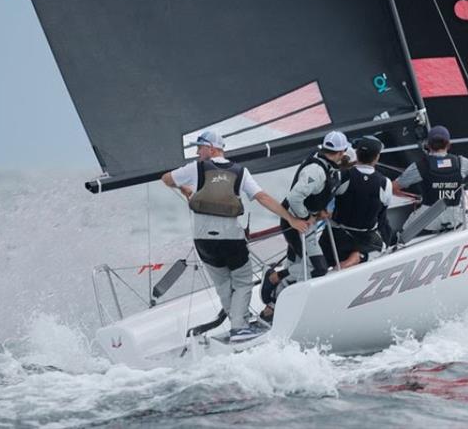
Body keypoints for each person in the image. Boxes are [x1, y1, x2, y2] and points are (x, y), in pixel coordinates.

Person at [161, 130, 308, 342]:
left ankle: (238, 324)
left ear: (211, 149)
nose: (197, 152)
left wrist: (183, 187)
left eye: (200, 148)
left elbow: (166, 179)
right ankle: (239, 327)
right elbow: (263, 197)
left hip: (203, 241)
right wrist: (291, 219)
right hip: (231, 238)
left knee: (222, 284)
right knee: (242, 281)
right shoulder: (240, 172)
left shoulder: (196, 169)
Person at [259, 131, 348, 321]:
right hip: (296, 224)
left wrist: (320, 211)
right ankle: (276, 283)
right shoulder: (316, 171)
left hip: (306, 222)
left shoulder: (327, 166)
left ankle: (274, 301)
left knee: (297, 262)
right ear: (341, 152)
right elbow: (294, 197)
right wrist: (306, 217)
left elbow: (316, 195)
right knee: (318, 269)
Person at [393, 125, 468, 235]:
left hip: (428, 221)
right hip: (454, 219)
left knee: (402, 233)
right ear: (449, 145)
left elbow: (394, 187)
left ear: (428, 145)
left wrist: (414, 197)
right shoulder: (461, 162)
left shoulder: (419, 166)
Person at [319, 136, 392, 269]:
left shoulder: (342, 176)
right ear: (377, 157)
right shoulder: (385, 183)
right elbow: (382, 218)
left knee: (318, 259)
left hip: (336, 238)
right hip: (365, 238)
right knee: (380, 247)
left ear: (356, 154)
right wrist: (388, 241)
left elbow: (322, 200)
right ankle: (360, 256)